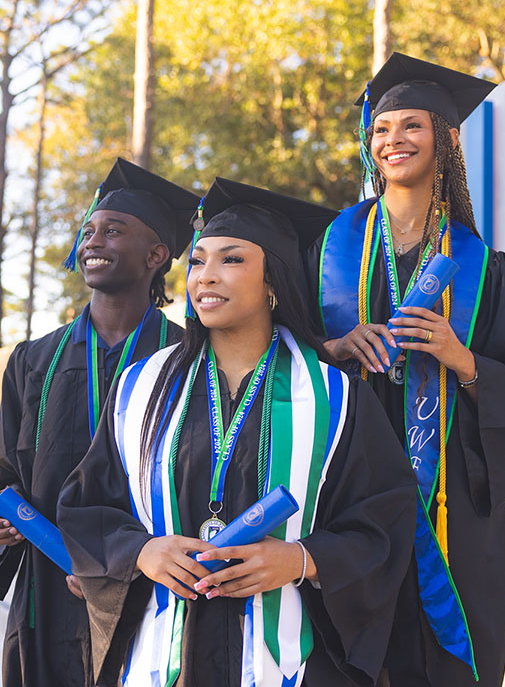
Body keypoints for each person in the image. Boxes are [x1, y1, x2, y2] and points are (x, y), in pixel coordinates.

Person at [57, 177, 417, 687]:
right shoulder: (142, 388)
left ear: (273, 282)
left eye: (231, 259)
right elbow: (87, 504)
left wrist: (301, 559)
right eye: (198, 261)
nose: (206, 276)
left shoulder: (336, 399)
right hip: (166, 651)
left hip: (291, 657)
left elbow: (384, 517)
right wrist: (142, 551)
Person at [305, 53, 505, 686]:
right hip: (343, 498)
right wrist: (333, 349)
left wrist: (462, 358)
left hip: (450, 515)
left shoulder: (484, 267)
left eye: (411, 126)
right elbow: (271, 355)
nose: (393, 141)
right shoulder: (326, 250)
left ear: (447, 139)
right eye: (381, 129)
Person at [0, 158, 199, 687]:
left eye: (114, 231)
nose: (93, 241)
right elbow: (5, 470)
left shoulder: (190, 357)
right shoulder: (33, 359)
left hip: (148, 591)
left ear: (157, 255)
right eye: (88, 231)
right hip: (47, 593)